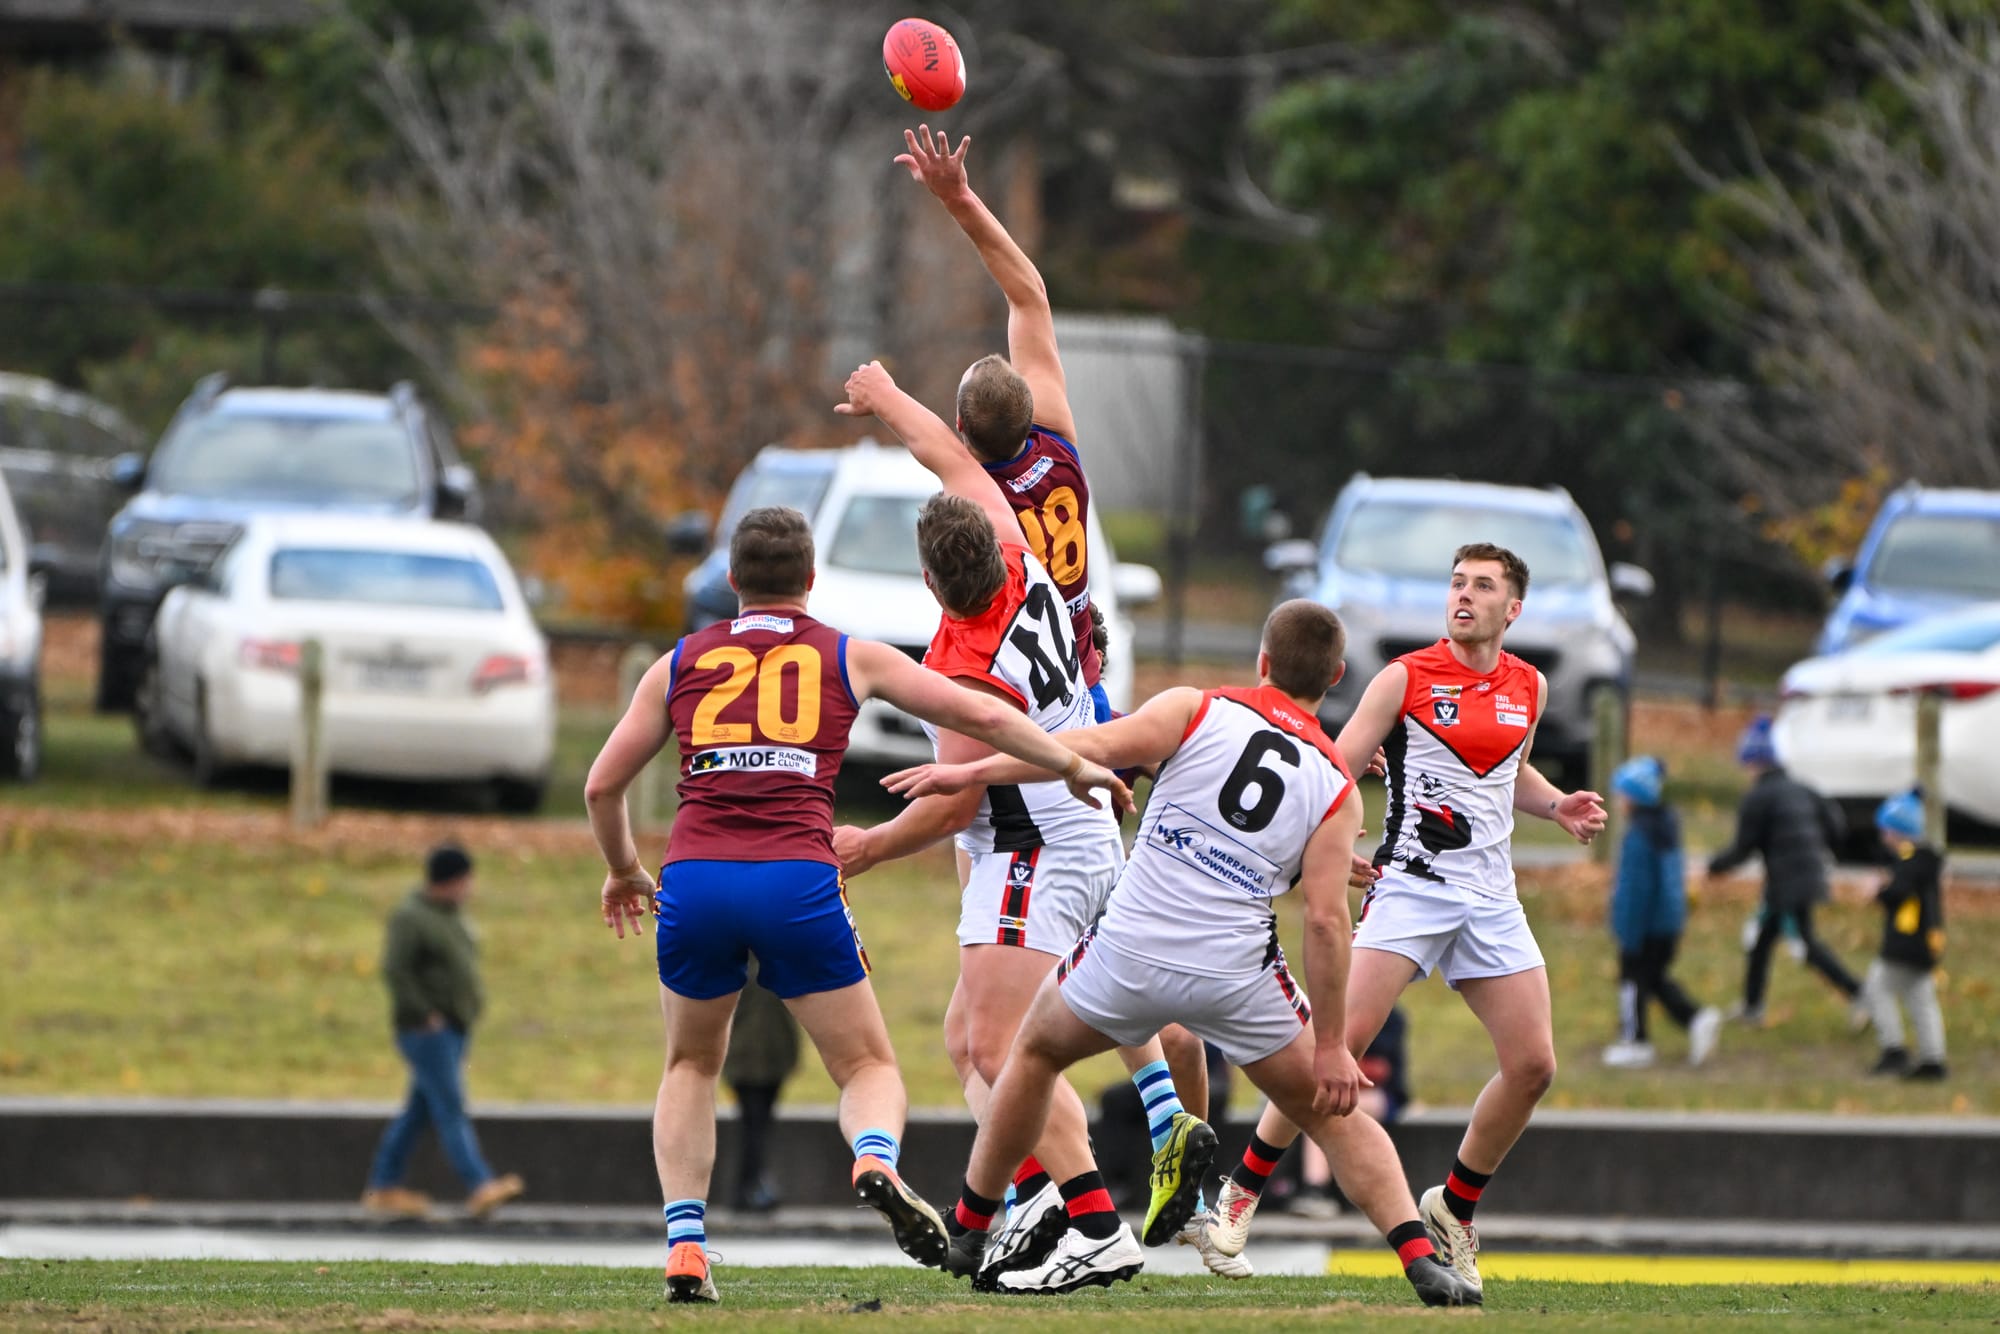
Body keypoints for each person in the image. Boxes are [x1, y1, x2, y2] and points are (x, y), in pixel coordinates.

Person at [586, 504, 1128, 1304]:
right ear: (812, 579)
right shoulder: (848, 654)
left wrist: (624, 869)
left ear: (731, 580)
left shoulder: (677, 664)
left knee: (691, 1063)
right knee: (867, 1066)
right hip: (798, 880)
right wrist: (1072, 763)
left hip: (695, 878)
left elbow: (602, 786)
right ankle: (874, 1157)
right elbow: (982, 713)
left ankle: (686, 1249)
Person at [885, 600, 1479, 1307]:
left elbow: (1087, 744)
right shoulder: (1336, 787)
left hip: (1130, 951)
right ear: (1336, 678)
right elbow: (1325, 923)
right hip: (1237, 975)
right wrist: (1329, 1046)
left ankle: (971, 1221)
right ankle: (1420, 1259)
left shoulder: (1194, 708)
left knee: (1031, 1055)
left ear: (1262, 660)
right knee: (1329, 1114)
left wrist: (971, 772)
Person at [832, 359, 1213, 1292]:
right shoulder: (1022, 551)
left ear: (930, 578)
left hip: (1031, 854)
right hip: (1080, 830)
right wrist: (888, 401)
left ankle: (1093, 1221)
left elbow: (957, 801)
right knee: (968, 1038)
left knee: (1005, 1051)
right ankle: (1053, 1185)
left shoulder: (958, 667)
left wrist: (870, 846)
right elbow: (951, 457)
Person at [1206, 544, 1608, 1298]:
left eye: (1482, 586)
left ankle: (1454, 1207)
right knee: (1336, 1051)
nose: (1464, 596)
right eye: (1457, 583)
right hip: (1412, 890)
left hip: (1490, 897)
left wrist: (1557, 805)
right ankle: (1242, 1190)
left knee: (1534, 1067)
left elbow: (1507, 771)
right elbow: (1333, 764)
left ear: (1512, 609)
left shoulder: (1530, 685)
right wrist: (1330, 844)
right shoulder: (1406, 678)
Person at [896, 123, 1111, 724]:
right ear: (1031, 406)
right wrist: (959, 196)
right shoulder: (1057, 439)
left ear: (961, 428)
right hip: (1084, 682)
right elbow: (1028, 295)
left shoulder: (982, 495)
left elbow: (928, 443)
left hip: (1026, 700)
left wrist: (878, 392)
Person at [361, 844, 525, 1221]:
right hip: (427, 1032)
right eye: (466, 880)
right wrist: (425, 1014)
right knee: (450, 1107)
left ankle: (383, 1186)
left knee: (417, 1112)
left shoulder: (450, 916)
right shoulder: (411, 917)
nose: (470, 888)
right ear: (449, 880)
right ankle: (479, 1184)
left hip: (453, 1029)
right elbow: (396, 970)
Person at [1708, 715, 1862, 1026]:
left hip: (1788, 884)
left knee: (1806, 945)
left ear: (1753, 762)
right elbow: (1836, 824)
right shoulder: (1803, 788)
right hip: (1804, 876)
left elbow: (1743, 848)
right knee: (1762, 942)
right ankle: (1752, 1006)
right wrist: (1819, 850)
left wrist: (1715, 866)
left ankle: (1860, 994)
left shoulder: (1757, 798)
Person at [1602, 756, 1722, 1070]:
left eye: (1621, 795)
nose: (1618, 801)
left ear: (1635, 797)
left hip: (1643, 927)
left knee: (1632, 982)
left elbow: (1634, 890)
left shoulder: (1638, 836)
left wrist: (1627, 932)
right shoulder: (1666, 827)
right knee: (1653, 980)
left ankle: (1635, 1041)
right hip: (1667, 922)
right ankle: (1697, 1019)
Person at [1861, 791, 1948, 1080]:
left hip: (1906, 945)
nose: (1883, 836)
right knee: (1921, 998)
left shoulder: (1912, 861)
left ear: (1898, 831)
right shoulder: (1922, 860)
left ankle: (1893, 1050)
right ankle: (1933, 1059)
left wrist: (1877, 891)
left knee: (1877, 988)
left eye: (1886, 830)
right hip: (1925, 944)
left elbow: (1899, 893)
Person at [722, 961, 800, 1211]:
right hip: (746, 1061)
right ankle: (748, 1187)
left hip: (771, 1059)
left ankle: (751, 1185)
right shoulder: (744, 963)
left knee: (759, 1125)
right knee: (753, 1126)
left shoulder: (770, 961)